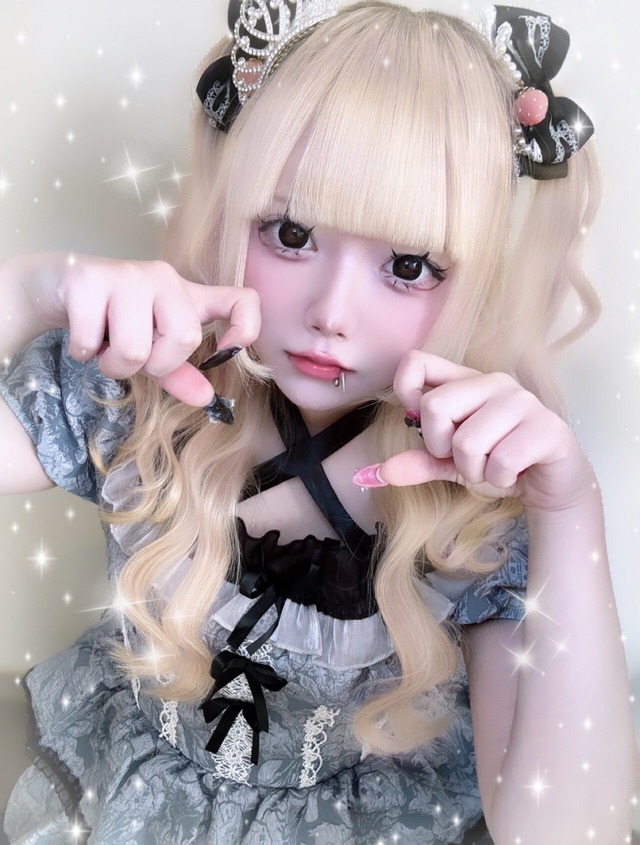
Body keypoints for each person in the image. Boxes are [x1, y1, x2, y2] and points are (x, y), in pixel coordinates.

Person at [0, 1, 636, 843]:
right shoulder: (140, 398)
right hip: (141, 791)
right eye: (291, 232)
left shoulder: (481, 503)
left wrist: (569, 507)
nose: (331, 312)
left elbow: (570, 828)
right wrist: (29, 291)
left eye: (409, 264)